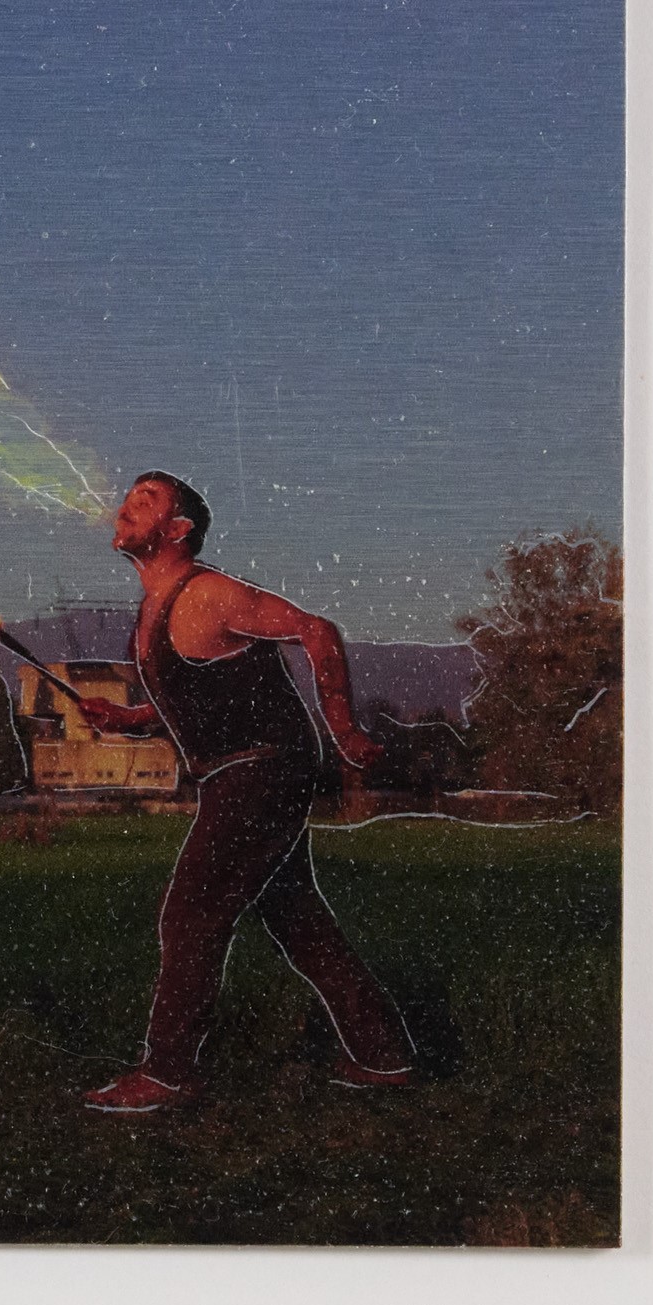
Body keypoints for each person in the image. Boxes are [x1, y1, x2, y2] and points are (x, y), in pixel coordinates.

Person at [62, 471, 418, 1112]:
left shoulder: (208, 593)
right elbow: (198, 695)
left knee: (190, 915)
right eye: (129, 496)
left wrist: (343, 728)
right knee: (297, 918)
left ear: (178, 530)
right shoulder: (151, 612)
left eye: (147, 500)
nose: (126, 506)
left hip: (263, 770)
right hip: (238, 774)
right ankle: (383, 1054)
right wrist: (129, 718)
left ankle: (168, 1073)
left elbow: (317, 630)